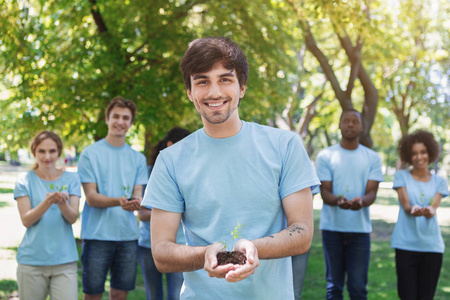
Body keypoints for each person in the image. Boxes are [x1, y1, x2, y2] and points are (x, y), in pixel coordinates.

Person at [141, 36, 320, 300]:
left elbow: (302, 232)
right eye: (202, 81)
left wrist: (252, 248)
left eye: (225, 79)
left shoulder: (285, 146)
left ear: (242, 87)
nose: (214, 92)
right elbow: (161, 252)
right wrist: (205, 254)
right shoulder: (170, 160)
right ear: (190, 92)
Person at [78, 97, 148, 300]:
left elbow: (137, 193)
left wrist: (136, 201)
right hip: (96, 236)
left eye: (126, 118)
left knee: (119, 294)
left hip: (127, 237)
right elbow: (91, 198)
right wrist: (119, 201)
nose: (120, 121)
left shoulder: (138, 158)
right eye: (116, 116)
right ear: (107, 119)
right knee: (92, 294)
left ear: (131, 123)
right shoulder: (90, 154)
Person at [315, 109, 384, 300]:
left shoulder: (372, 158)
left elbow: (371, 194)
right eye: (346, 121)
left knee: (358, 288)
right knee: (334, 288)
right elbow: (325, 193)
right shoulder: (326, 156)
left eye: (355, 122)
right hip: (332, 229)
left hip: (360, 231)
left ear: (361, 126)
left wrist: (361, 201)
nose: (351, 125)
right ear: (339, 124)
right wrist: (338, 200)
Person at [14, 131, 81, 300]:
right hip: (32, 262)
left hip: (64, 261)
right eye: (41, 151)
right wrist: (47, 202)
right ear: (34, 152)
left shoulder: (72, 178)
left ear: (59, 152)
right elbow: (26, 220)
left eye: (52, 151)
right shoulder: (24, 180)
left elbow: (73, 218)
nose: (47, 156)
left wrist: (61, 203)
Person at [391, 130, 448, 300]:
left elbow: (433, 207)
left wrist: (430, 211)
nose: (419, 157)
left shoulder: (440, 182)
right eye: (414, 153)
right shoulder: (401, 177)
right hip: (405, 246)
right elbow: (406, 205)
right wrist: (413, 209)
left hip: (432, 248)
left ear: (430, 152)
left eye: (423, 152)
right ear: (408, 155)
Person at [139, 127, 190, 300]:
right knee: (153, 295)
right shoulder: (149, 173)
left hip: (180, 247)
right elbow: (141, 213)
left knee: (176, 296)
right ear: (170, 145)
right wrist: (169, 214)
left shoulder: (188, 175)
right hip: (148, 245)